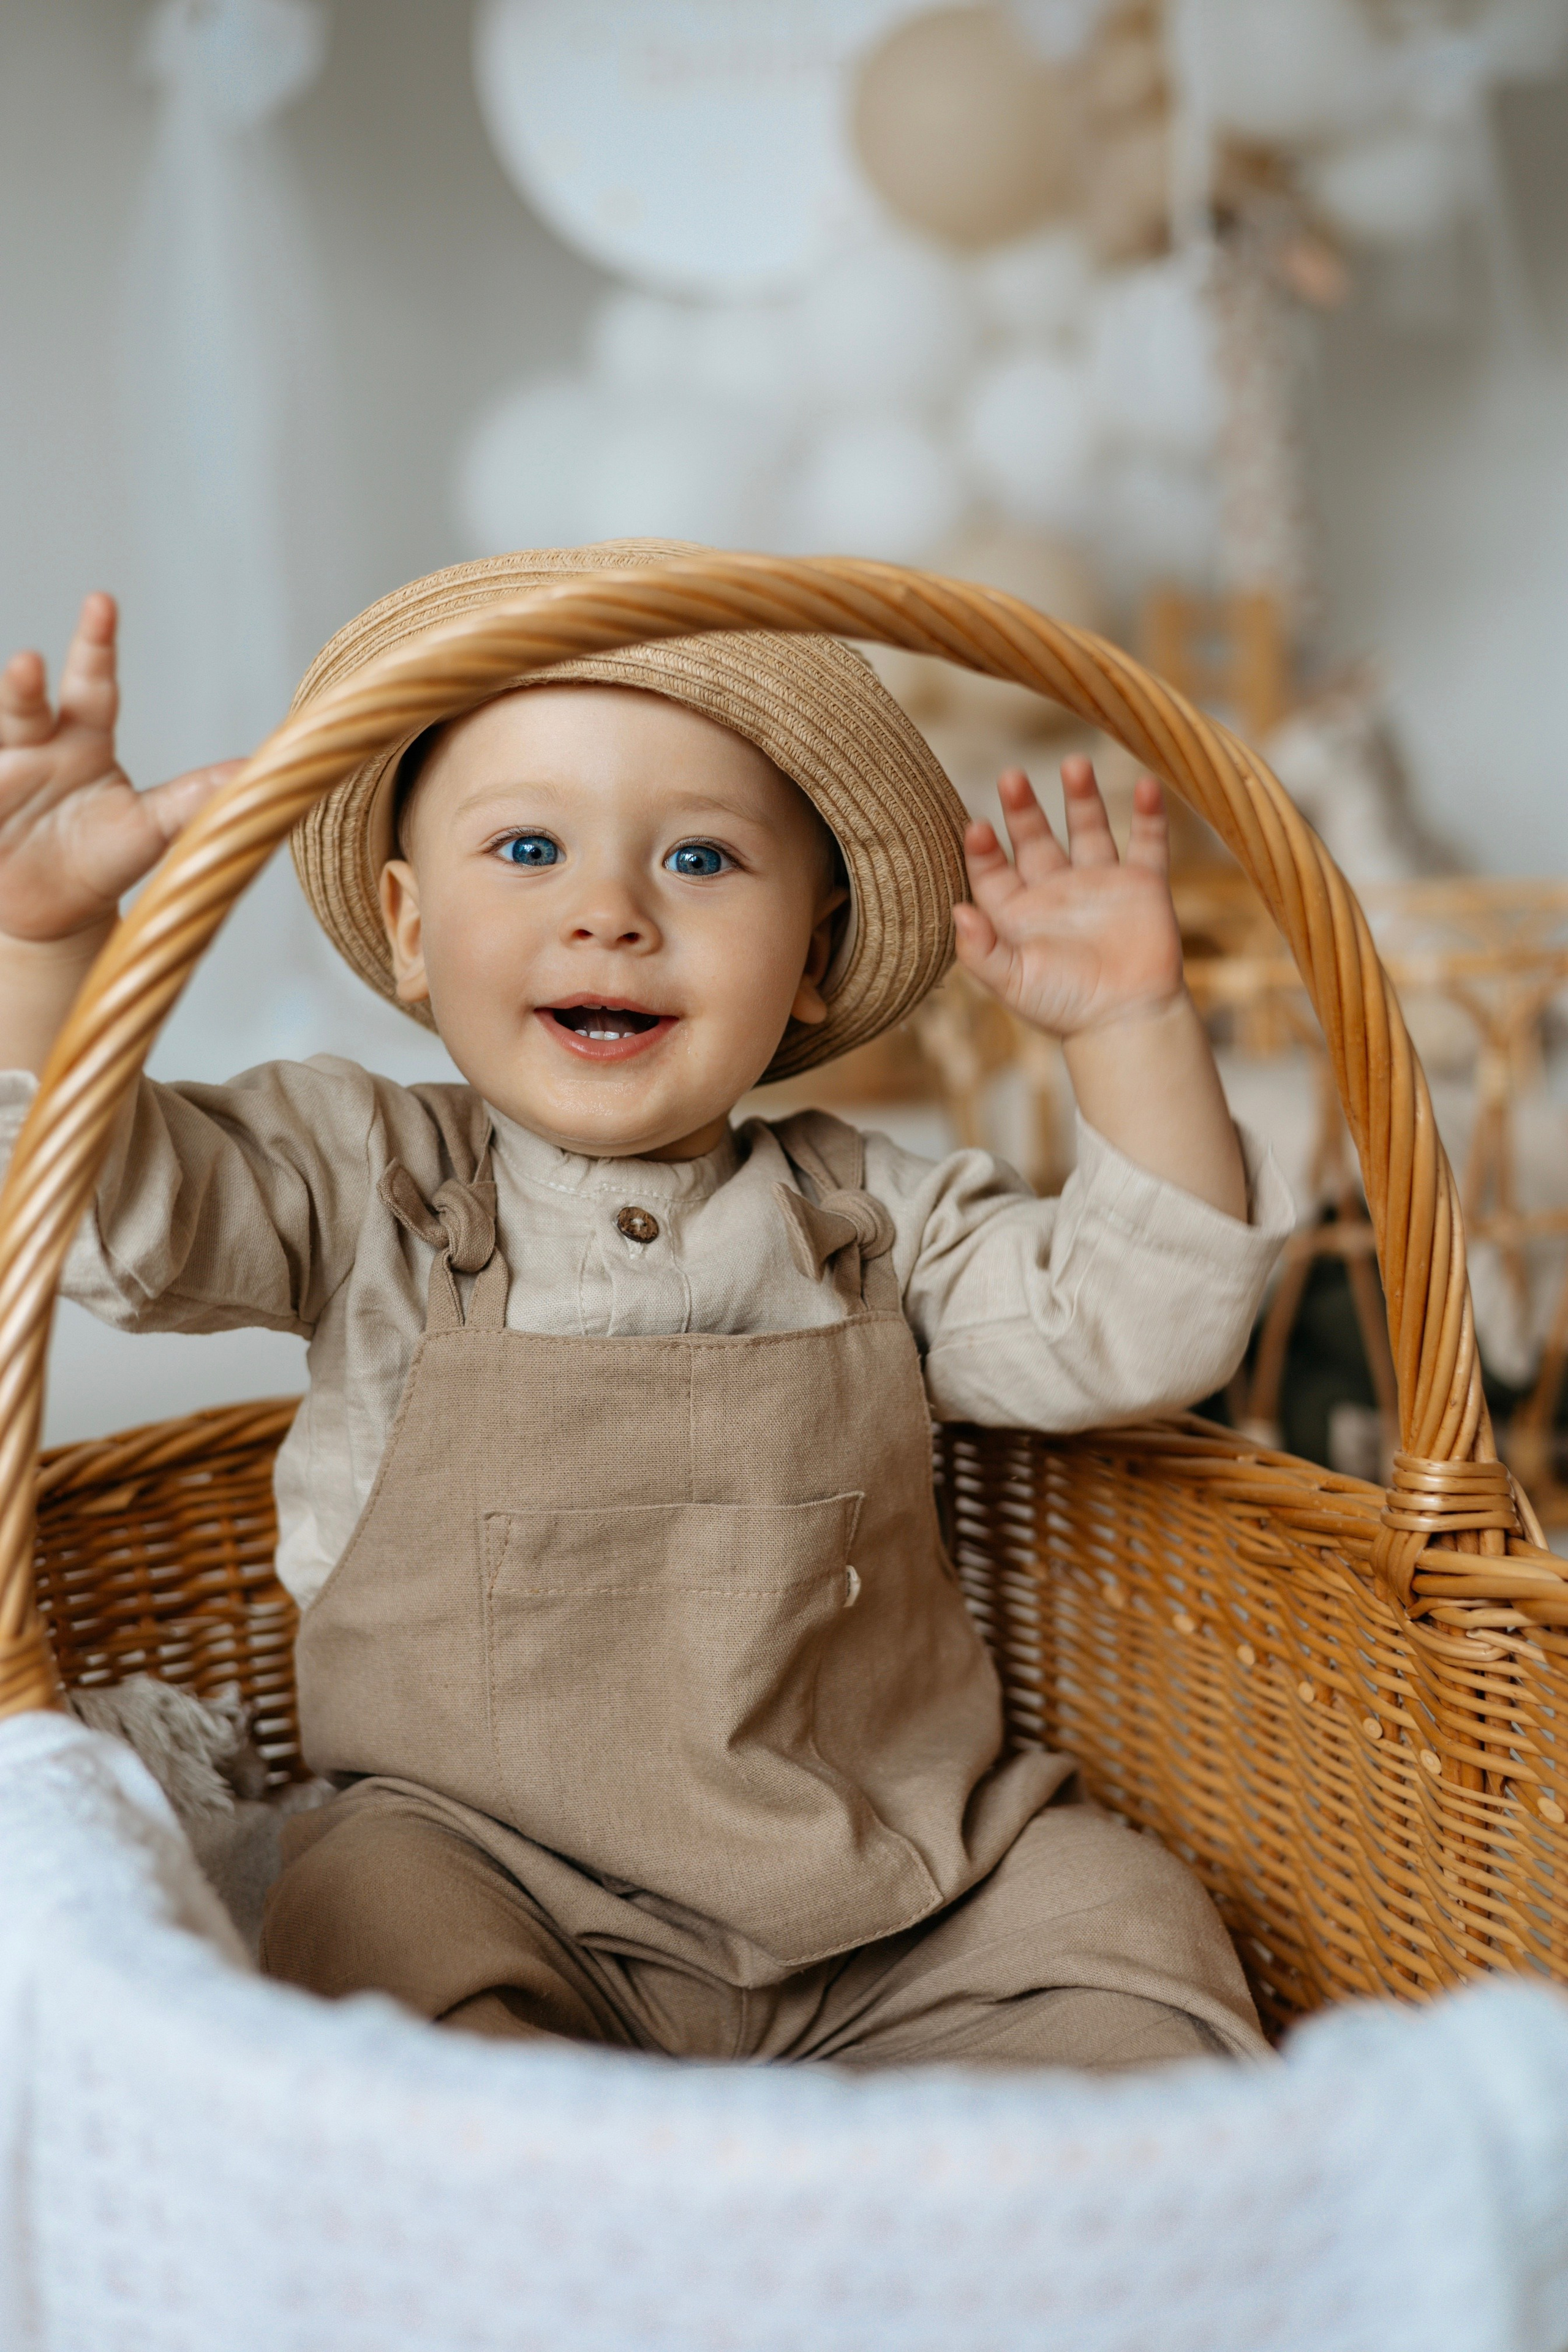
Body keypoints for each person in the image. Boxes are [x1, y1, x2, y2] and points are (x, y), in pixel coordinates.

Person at [0, 541, 1293, 2070]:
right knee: (356, 1926)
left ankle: (955, 2222)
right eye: (527, 850)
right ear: (411, 933)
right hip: (495, 1886)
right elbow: (95, 1211)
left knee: (1125, 1923)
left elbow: (1137, 1327)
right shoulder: (364, 1180)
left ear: (810, 958)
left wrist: (1131, 1029)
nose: (609, 911)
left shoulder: (872, 1220)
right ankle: (571, 2202)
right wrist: (43, 939)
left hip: (897, 1895)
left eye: (697, 859)